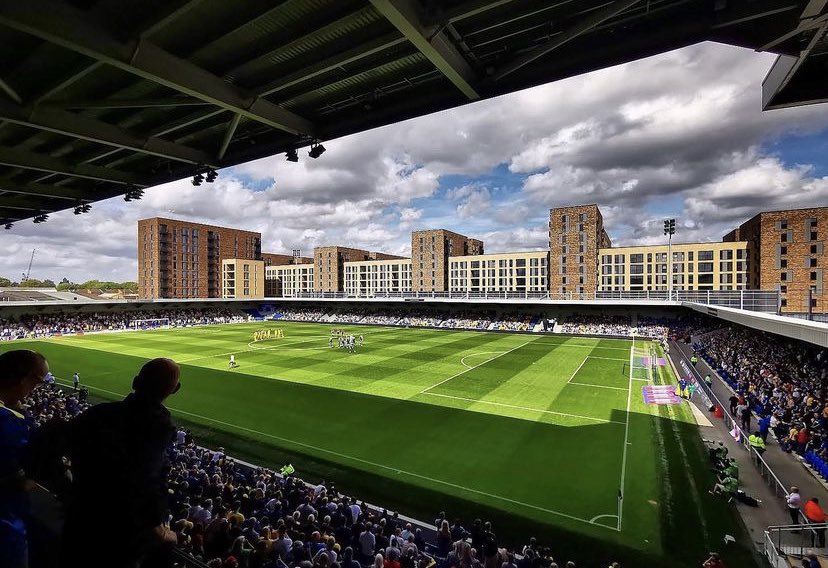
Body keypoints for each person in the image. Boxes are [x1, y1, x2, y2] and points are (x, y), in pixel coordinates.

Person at [61, 358, 182, 568]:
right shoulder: (157, 425)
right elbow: (144, 482)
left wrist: (65, 485)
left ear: (135, 382)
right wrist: (158, 529)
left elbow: (58, 442)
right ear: (175, 389)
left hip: (80, 517)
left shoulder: (98, 412)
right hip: (119, 535)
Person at [0, 350, 49, 568]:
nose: (35, 389)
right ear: (23, 380)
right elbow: (25, 479)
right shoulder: (8, 423)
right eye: (38, 382)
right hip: (6, 527)